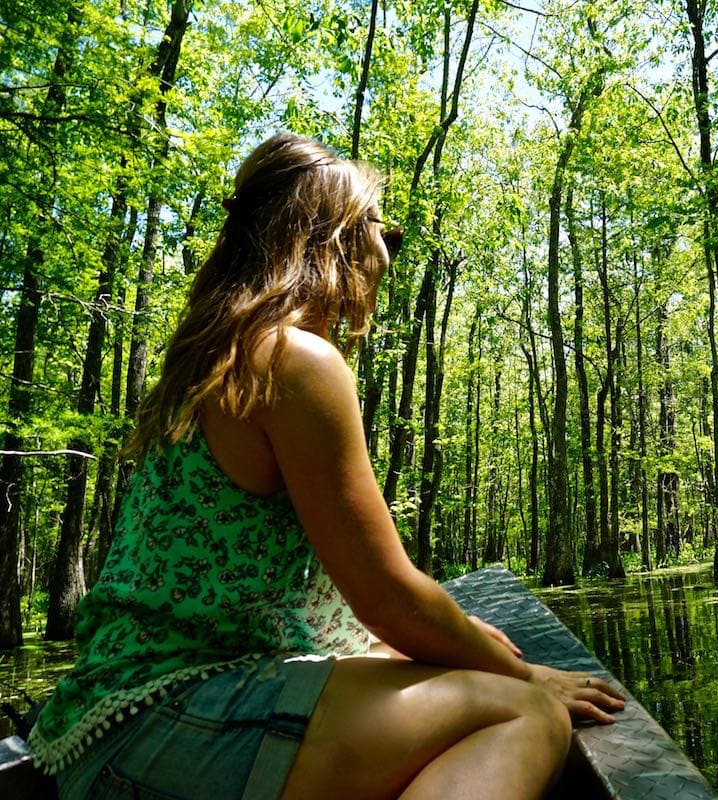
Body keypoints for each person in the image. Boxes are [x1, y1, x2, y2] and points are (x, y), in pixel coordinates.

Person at [28, 132, 625, 800]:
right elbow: (388, 595)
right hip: (162, 731)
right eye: (383, 236)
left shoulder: (217, 357)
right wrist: (528, 675)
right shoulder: (296, 362)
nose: (384, 259)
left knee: (415, 661)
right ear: (335, 238)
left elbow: (272, 605)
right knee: (527, 714)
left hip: (105, 725)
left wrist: (428, 641)